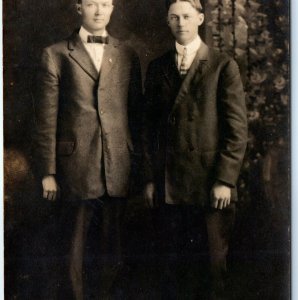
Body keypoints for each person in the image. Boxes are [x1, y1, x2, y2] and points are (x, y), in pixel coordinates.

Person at [34, 0, 142, 298]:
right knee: (74, 250)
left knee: (113, 249)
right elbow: (46, 118)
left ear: (113, 8)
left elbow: (136, 114)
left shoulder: (127, 53)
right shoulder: (55, 55)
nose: (99, 10)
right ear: (78, 7)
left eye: (105, 4)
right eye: (92, 3)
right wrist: (48, 172)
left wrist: (137, 163)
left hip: (117, 165)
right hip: (75, 168)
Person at [142, 0, 247, 299]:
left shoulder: (222, 65)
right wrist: (150, 179)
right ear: (167, 20)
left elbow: (236, 131)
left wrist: (225, 181)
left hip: (210, 185)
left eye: (187, 16)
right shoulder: (158, 67)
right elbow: (149, 130)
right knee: (173, 270)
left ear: (200, 18)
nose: (181, 23)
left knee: (212, 269)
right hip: (169, 186)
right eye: (174, 17)